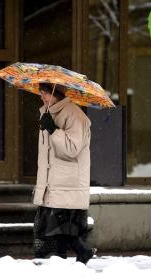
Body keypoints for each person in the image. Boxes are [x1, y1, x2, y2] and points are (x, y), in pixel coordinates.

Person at [33, 83, 96, 264]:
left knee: (62, 230)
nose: (42, 96)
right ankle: (70, 259)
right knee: (55, 231)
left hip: (68, 184)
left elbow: (71, 150)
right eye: (41, 93)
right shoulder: (48, 112)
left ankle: (81, 254)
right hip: (53, 182)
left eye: (46, 92)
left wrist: (53, 129)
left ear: (58, 93)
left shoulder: (75, 116)